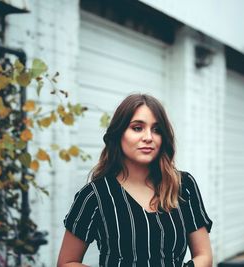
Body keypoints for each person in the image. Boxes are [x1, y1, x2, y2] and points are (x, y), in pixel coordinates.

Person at [57, 94, 213, 267]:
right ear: (118, 134)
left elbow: (204, 255)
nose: (149, 137)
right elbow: (67, 262)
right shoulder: (95, 195)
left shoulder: (183, 186)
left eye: (157, 130)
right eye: (137, 128)